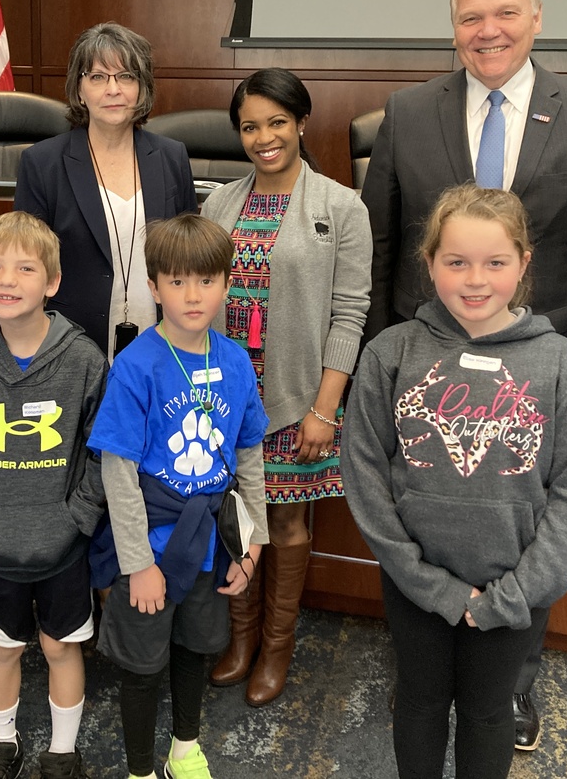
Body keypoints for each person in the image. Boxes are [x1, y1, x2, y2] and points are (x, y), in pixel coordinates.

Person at [360, 0, 567, 748]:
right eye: (470, 18)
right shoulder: (407, 113)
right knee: (430, 517)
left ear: (537, 17)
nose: (487, 31)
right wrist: (379, 369)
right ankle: (422, 674)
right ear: (453, 29)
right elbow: (382, 250)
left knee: (525, 522)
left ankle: (509, 685)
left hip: (541, 374)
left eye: (505, 14)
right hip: (424, 372)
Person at [343, 185, 567, 779]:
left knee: (489, 713)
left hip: (515, 592)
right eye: (456, 261)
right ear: (429, 262)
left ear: (524, 263)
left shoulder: (563, 366)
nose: (475, 279)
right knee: (419, 698)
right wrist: (427, 582)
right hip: (415, 584)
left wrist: (514, 595)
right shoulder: (391, 353)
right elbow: (364, 471)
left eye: (495, 262)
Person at [200, 68, 371, 706]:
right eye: (250, 126)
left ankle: (277, 647)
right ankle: (240, 639)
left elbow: (350, 314)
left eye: (277, 122)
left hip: (299, 399)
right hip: (225, 401)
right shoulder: (218, 203)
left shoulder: (341, 207)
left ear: (301, 123)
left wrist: (324, 409)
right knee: (236, 520)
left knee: (289, 524)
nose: (264, 137)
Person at [88, 213, 270, 779]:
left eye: (207, 280)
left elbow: (248, 456)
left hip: (212, 539)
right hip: (152, 541)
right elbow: (117, 474)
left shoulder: (235, 360)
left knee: (198, 646)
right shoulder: (137, 366)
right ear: (154, 285)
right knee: (143, 664)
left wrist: (253, 542)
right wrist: (137, 563)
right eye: (177, 281)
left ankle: (184, 747)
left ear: (226, 282)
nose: (193, 295)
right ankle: (141, 767)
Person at [0, 211, 108, 779]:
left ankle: (63, 752)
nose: (7, 279)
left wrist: (79, 516)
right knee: (3, 651)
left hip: (63, 542)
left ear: (51, 283)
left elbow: (101, 449)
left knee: (62, 648)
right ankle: (1, 744)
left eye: (24, 267)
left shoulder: (84, 360)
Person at [14, 21, 198, 360]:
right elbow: (27, 267)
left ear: (142, 88)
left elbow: (188, 259)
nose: (113, 89)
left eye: (126, 76)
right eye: (98, 77)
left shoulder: (172, 157)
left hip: (164, 342)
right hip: (69, 346)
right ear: (79, 89)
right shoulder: (43, 163)